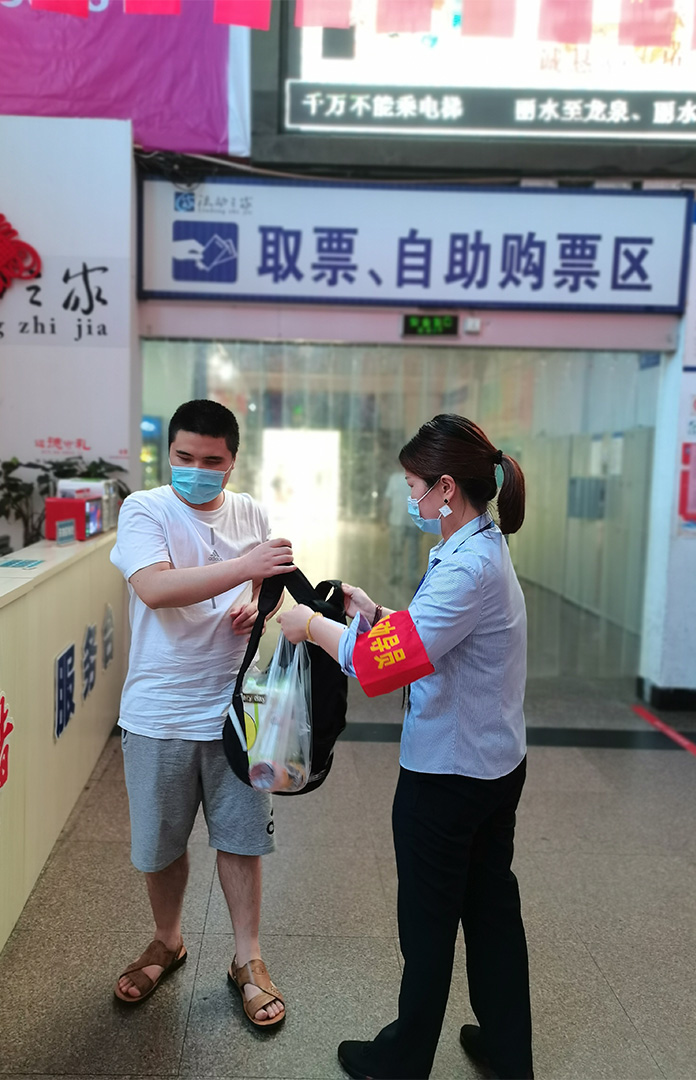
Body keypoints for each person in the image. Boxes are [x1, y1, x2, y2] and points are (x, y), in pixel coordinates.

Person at [278, 414, 533, 1079]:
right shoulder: (482, 546)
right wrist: (375, 615)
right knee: (490, 909)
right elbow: (433, 639)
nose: (409, 498)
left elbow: (378, 668)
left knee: (427, 924)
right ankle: (508, 1051)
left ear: (446, 488)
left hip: (448, 777)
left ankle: (402, 1060)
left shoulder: (466, 567)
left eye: (414, 486)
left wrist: (311, 627)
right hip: (493, 764)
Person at [110, 398, 295, 1028]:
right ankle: (167, 940)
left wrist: (256, 602)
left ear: (232, 461)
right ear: (169, 454)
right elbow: (154, 588)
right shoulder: (145, 509)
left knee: (242, 841)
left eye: (211, 461)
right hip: (159, 710)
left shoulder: (249, 512)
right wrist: (245, 567)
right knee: (160, 845)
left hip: (239, 707)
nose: (196, 469)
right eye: (184, 457)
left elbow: (264, 588)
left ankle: (248, 959)